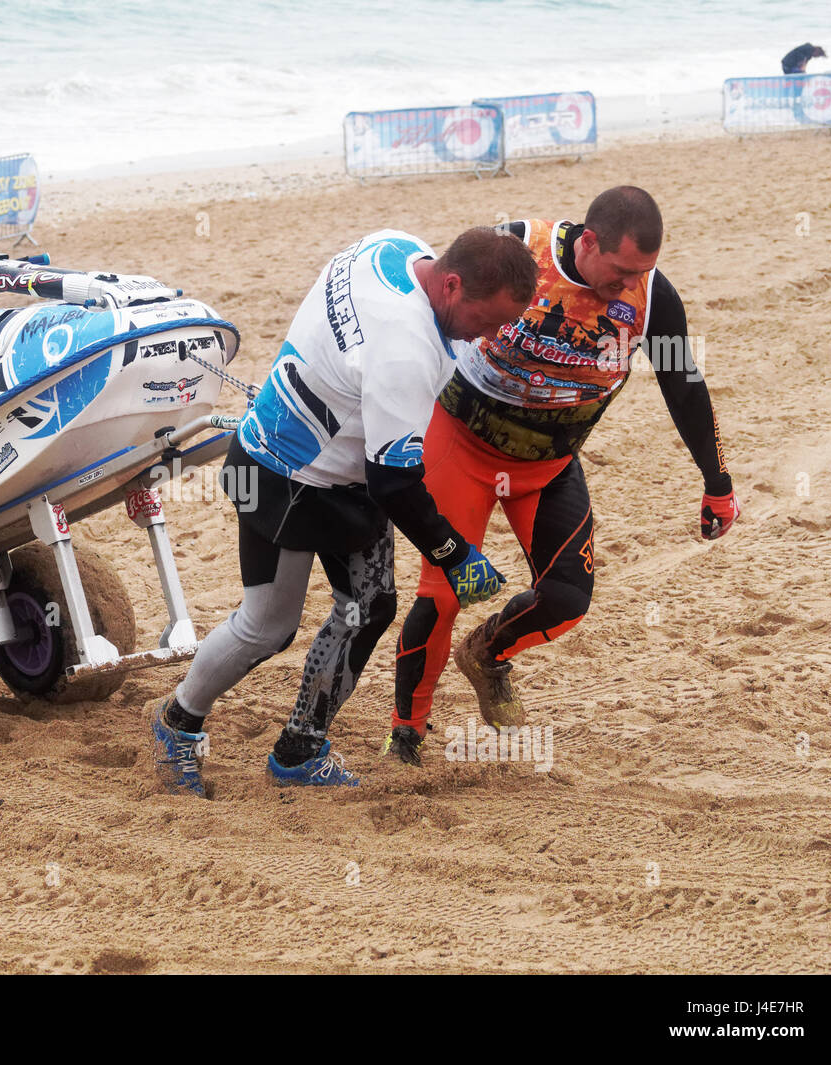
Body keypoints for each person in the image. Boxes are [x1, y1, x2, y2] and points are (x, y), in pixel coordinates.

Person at [150, 227, 539, 796]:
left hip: (345, 472)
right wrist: (452, 553)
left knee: (371, 606)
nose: (492, 335)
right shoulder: (405, 345)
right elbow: (395, 482)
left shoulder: (393, 246)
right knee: (267, 626)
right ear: (452, 283)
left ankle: (299, 751)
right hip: (281, 474)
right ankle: (177, 724)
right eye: (490, 319)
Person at [387, 186, 740, 764]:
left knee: (570, 599)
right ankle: (406, 733)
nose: (629, 284)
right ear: (590, 240)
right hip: (462, 445)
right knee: (444, 593)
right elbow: (424, 315)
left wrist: (717, 482)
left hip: (548, 465)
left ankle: (488, 654)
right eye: (622, 270)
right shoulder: (516, 250)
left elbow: (683, 384)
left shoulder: (652, 298)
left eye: (642, 272)